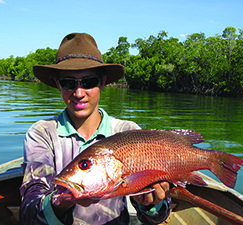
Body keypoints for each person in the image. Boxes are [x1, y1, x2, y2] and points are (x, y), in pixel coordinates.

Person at [19, 32, 171, 225]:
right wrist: (62, 200)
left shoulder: (128, 132)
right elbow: (30, 210)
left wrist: (150, 203)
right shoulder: (42, 133)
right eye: (68, 83)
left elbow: (158, 217)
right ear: (58, 84)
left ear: (103, 82)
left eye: (89, 82)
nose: (79, 93)